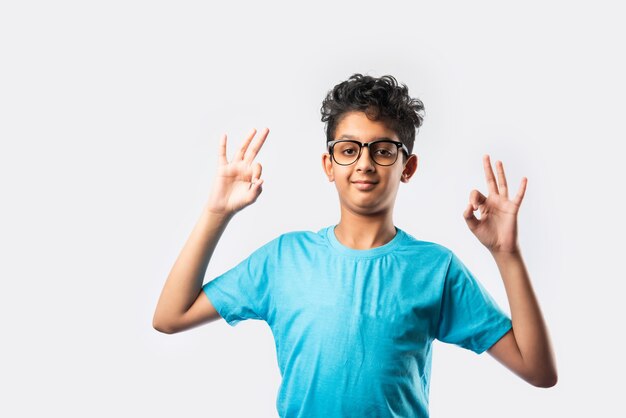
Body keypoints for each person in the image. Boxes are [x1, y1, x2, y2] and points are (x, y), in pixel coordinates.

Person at [152, 74, 558, 417]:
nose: (364, 163)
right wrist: (216, 212)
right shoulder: (284, 259)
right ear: (330, 166)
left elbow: (538, 370)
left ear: (408, 167)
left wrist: (507, 255)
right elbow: (170, 316)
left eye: (383, 151)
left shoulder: (436, 269)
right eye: (349, 150)